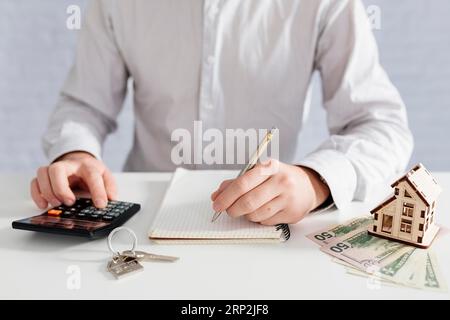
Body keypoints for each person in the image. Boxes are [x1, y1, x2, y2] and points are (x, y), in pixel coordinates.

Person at [30, 0, 413, 226]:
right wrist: (75, 154)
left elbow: (381, 125)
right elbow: (83, 105)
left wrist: (315, 181)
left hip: (265, 227)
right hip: (144, 222)